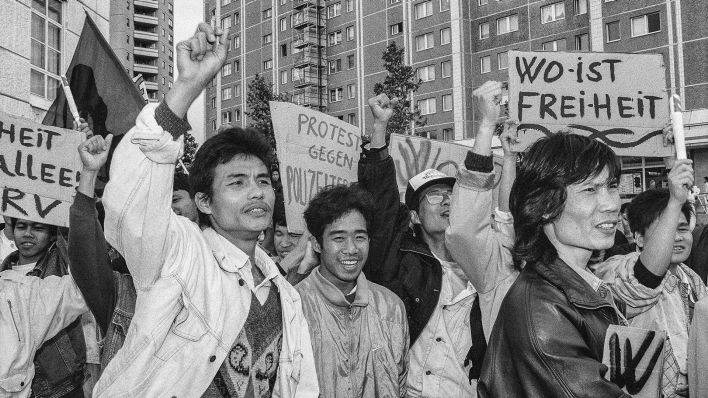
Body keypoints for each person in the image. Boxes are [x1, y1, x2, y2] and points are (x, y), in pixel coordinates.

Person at [93, 23, 317, 397]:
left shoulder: (284, 293)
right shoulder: (180, 255)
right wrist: (187, 87)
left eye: (263, 180)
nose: (257, 192)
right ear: (204, 202)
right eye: (237, 182)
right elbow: (131, 205)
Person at [476, 127, 680, 396]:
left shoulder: (581, 288)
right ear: (545, 205)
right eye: (589, 189)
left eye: (612, 186)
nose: (610, 204)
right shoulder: (542, 312)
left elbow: (645, 280)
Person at [359, 94, 486, 397]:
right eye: (434, 195)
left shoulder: (481, 262)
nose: (445, 200)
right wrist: (379, 128)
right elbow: (381, 205)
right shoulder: (398, 260)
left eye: (449, 194)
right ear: (414, 216)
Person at [592, 182, 707, 396]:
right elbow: (634, 285)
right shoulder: (625, 269)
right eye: (665, 230)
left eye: (682, 229)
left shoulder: (692, 280)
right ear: (639, 238)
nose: (677, 237)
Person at [297, 185, 409, 397]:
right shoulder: (293, 306)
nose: (351, 249)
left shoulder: (392, 308)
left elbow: (400, 383)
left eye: (359, 237)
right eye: (338, 238)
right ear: (316, 244)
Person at [444, 81, 518, 341]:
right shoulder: (504, 270)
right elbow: (474, 226)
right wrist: (486, 127)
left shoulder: (595, 279)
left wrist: (510, 158)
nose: (609, 205)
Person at [1, 219, 88, 398]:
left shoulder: (63, 264)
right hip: (16, 387)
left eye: (38, 228)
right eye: (21, 226)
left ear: (52, 235)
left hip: (62, 386)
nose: (27, 233)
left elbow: (86, 275)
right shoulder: (4, 274)